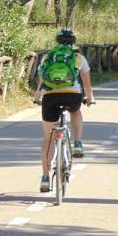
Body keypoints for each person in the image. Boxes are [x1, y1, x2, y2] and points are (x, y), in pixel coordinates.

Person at [34, 28, 95, 193]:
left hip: (50, 98)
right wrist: (90, 98)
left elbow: (41, 81)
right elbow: (87, 83)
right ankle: (78, 143)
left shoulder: (48, 57)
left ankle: (45, 178)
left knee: (48, 138)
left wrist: (38, 96)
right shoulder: (78, 58)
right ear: (73, 42)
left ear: (57, 41)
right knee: (75, 111)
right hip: (72, 96)